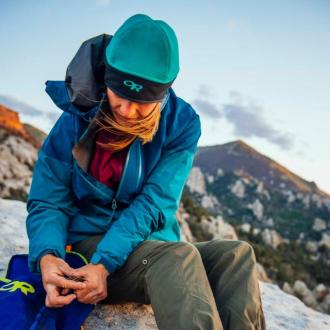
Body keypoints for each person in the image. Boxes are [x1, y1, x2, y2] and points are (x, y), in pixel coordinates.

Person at [26, 13, 266, 330]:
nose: (126, 112)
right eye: (119, 97)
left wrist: (107, 261)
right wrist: (49, 256)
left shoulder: (182, 123)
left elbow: (155, 203)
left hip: (145, 246)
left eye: (141, 104)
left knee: (236, 255)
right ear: (107, 80)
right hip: (89, 249)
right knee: (177, 257)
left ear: (161, 94)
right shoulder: (75, 117)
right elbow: (48, 200)